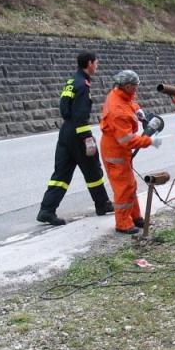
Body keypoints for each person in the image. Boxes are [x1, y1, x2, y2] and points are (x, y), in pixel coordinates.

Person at [37, 51, 114, 226]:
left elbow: (64, 108)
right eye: (96, 62)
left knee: (61, 173)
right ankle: (102, 204)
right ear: (89, 63)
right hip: (79, 133)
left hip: (66, 132)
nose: (97, 65)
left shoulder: (72, 81)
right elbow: (80, 115)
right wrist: (88, 139)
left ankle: (47, 210)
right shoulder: (83, 85)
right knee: (93, 170)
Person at [100, 70, 162, 234]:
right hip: (115, 152)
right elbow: (127, 141)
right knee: (123, 188)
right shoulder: (117, 110)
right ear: (127, 86)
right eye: (135, 87)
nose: (136, 90)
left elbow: (130, 103)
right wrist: (150, 141)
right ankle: (123, 223)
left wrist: (137, 110)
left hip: (119, 150)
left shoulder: (119, 95)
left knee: (131, 185)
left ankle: (135, 217)